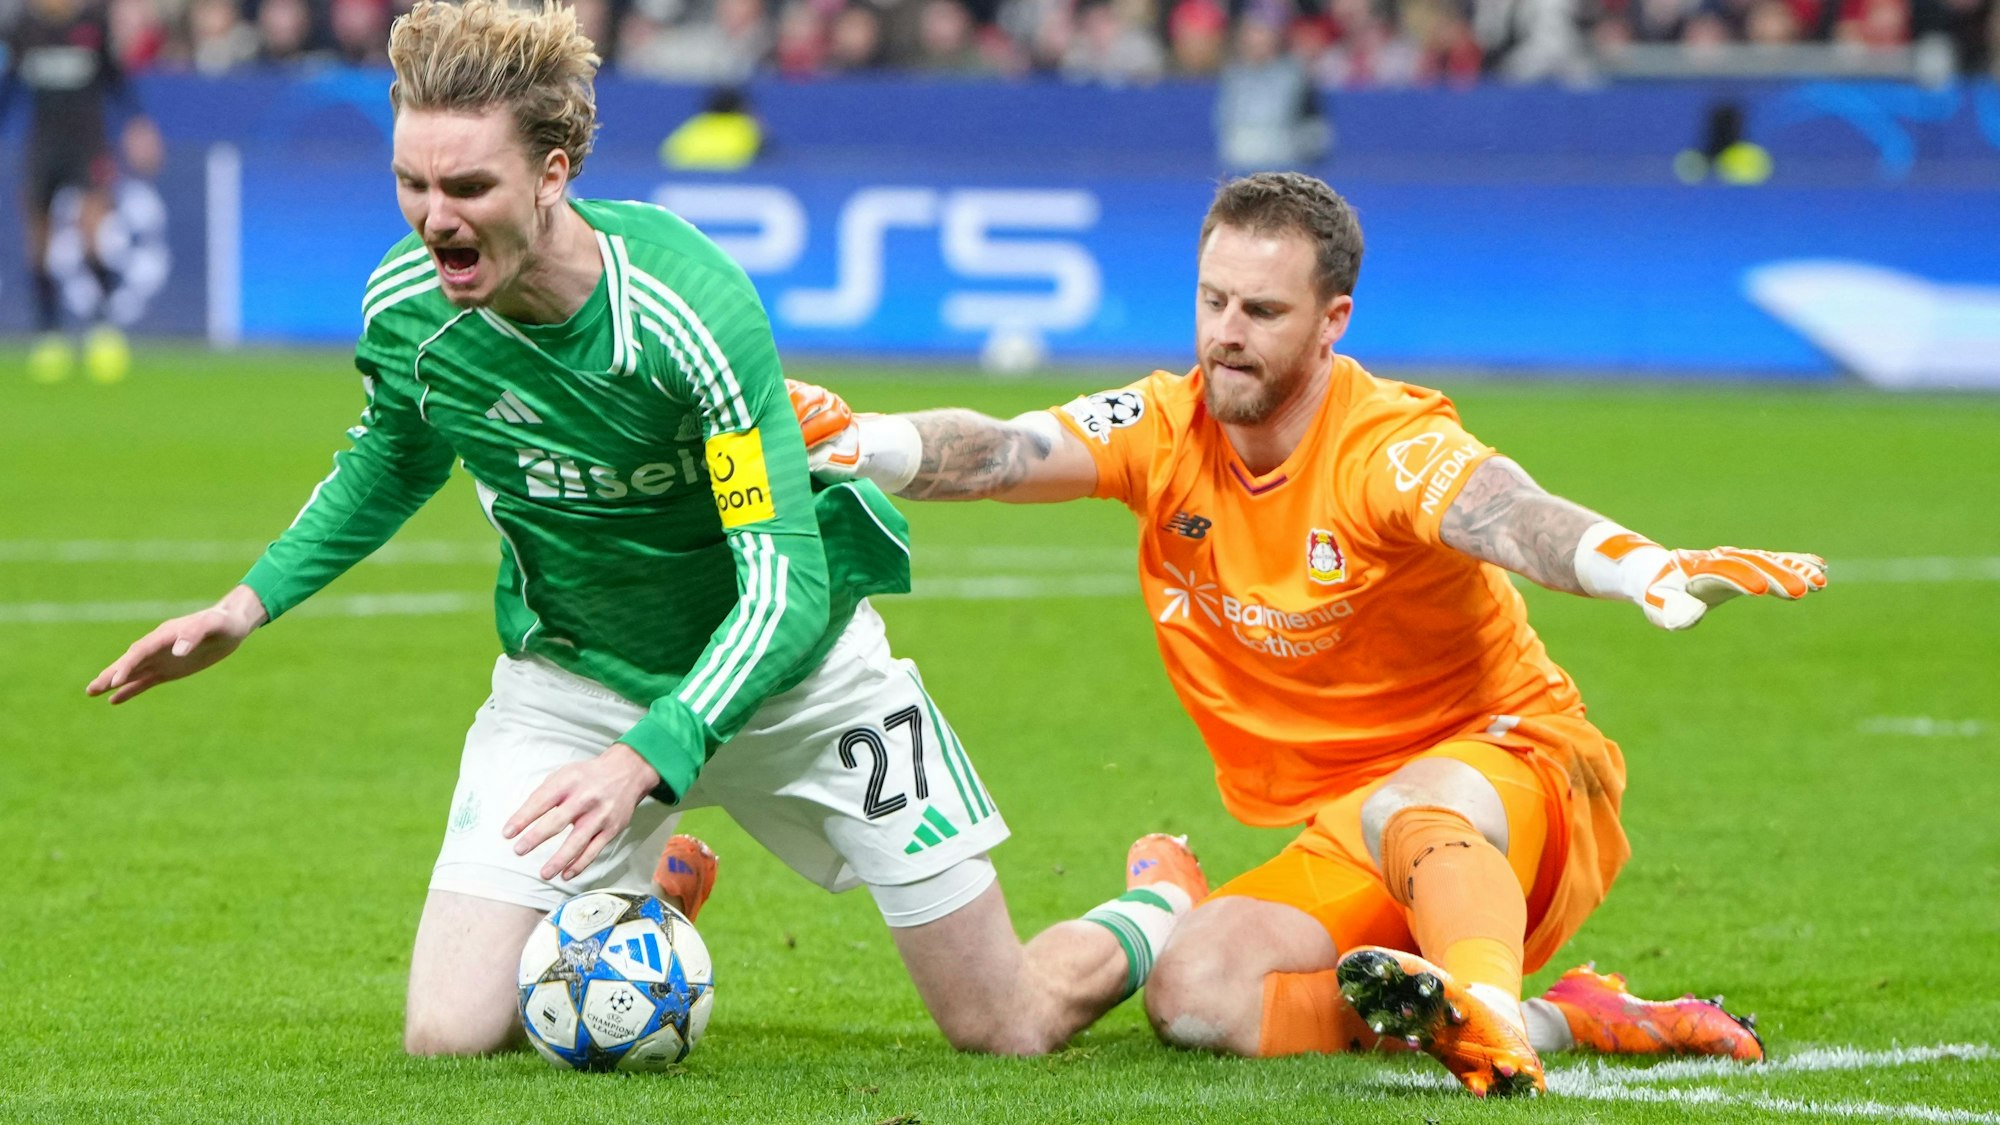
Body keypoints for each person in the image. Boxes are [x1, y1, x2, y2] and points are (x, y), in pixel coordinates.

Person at [86, 0, 1203, 1059]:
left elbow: (784, 586)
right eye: (411, 183)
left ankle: (1159, 899)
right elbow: (391, 455)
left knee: (1002, 1021)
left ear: (552, 174)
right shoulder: (409, 309)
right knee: (447, 1033)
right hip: (575, 685)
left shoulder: (685, 311)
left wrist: (650, 757)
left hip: (798, 686)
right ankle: (647, 893)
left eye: (468, 185)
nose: (436, 219)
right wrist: (248, 603)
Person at [786, 170, 1826, 1097]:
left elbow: (1505, 514)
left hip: (1516, 781)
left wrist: (1637, 565)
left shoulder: (1383, 444)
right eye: (1210, 300)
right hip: (1351, 825)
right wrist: (863, 441)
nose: (1224, 332)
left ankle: (1500, 1021)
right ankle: (1573, 1014)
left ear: (1332, 321)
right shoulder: (1166, 425)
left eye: (1260, 310)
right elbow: (1010, 448)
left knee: (1413, 804)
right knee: (1196, 998)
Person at [1, 0, 163, 384]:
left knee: (93, 235)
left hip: (87, 146)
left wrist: (138, 125)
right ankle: (49, 333)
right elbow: (8, 90)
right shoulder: (22, 26)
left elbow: (117, 80)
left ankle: (103, 329)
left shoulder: (93, 22)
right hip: (42, 147)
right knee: (39, 243)